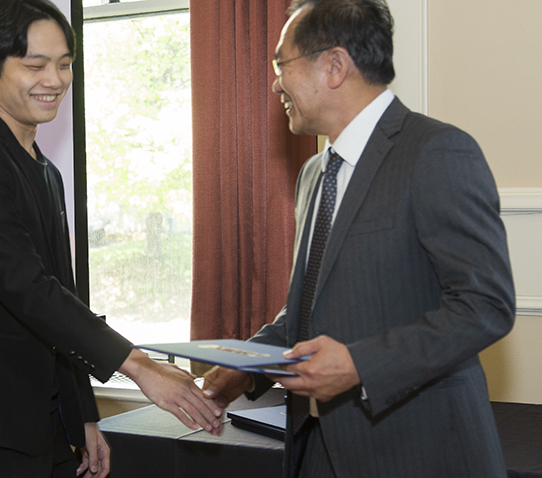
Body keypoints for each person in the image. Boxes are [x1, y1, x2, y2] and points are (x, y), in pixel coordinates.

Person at [203, 0, 515, 477]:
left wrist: (360, 365)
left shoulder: (436, 152)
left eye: (279, 64)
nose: (274, 83)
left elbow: (485, 305)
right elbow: (308, 309)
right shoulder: (313, 173)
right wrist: (249, 363)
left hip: (419, 453)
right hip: (318, 449)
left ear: (334, 66)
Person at [0, 1, 222, 477]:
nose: (54, 80)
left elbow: (63, 297)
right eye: (35, 65)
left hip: (44, 421)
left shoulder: (44, 169)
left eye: (64, 64)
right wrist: (138, 365)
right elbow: (27, 287)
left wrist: (82, 415)